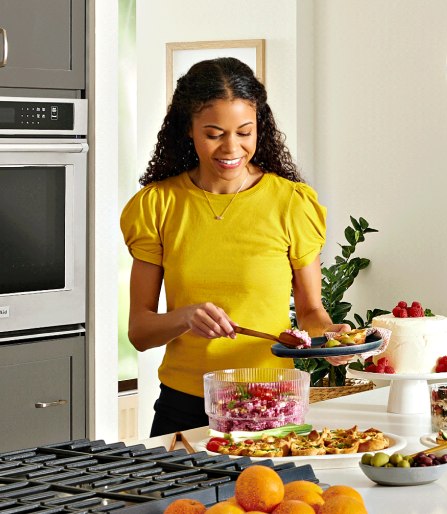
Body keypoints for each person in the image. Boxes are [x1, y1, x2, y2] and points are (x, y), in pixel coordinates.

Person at [122, 57, 335, 436]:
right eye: (214, 133)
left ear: (260, 129)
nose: (231, 147)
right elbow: (140, 331)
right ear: (188, 129)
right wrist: (186, 317)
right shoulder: (157, 205)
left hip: (273, 405)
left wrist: (333, 338)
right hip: (184, 405)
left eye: (244, 132)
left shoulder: (291, 203)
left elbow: (311, 312)